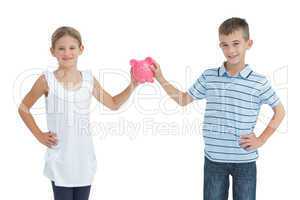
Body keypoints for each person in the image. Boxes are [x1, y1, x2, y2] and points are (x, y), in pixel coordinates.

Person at [150, 17, 285, 200]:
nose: (230, 50)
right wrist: (160, 78)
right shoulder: (209, 77)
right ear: (219, 45)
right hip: (214, 159)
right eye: (225, 45)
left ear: (249, 43)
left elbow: (280, 111)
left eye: (236, 43)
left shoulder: (258, 82)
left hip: (244, 161)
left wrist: (261, 139)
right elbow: (183, 100)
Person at [18, 26, 138, 200]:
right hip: (60, 159)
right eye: (61, 48)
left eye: (72, 48)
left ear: (81, 49)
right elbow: (23, 108)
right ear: (53, 52)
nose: (67, 53)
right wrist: (39, 135)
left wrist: (133, 84)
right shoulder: (47, 80)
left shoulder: (89, 79)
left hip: (83, 159)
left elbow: (113, 104)